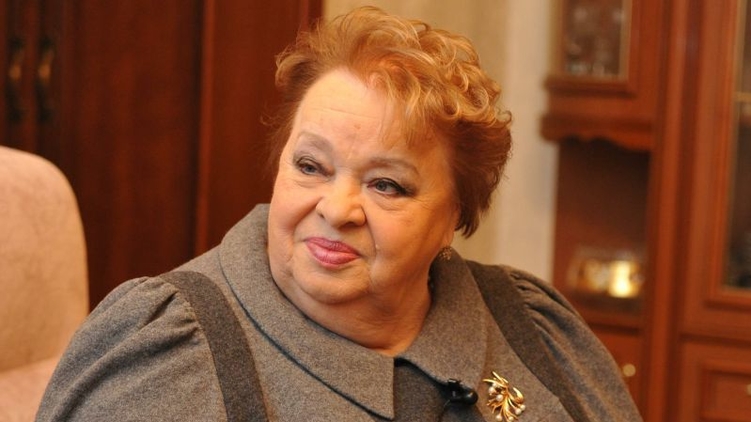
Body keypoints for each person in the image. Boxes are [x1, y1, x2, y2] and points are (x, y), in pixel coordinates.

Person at [36, 6, 641, 421]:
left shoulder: (532, 326)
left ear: (455, 215)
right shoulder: (165, 356)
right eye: (311, 166)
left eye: (386, 185)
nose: (336, 208)